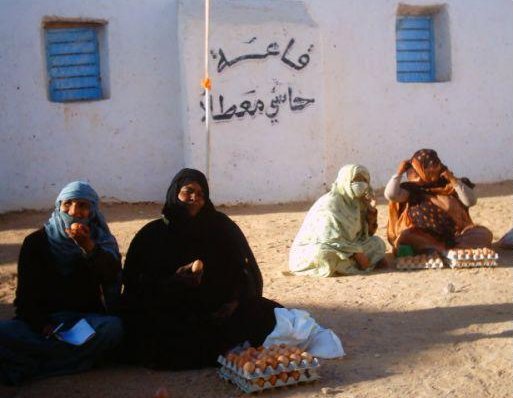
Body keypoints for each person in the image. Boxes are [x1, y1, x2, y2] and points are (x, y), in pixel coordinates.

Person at [121, 168, 279, 369]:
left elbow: (243, 270)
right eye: (188, 191)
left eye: (201, 194)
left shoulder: (221, 227)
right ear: (175, 192)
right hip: (170, 310)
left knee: (269, 314)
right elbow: (134, 282)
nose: (195, 198)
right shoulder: (152, 235)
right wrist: (172, 282)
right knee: (150, 331)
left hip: (217, 311)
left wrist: (234, 301)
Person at [0, 181, 123, 385]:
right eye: (68, 204)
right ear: (59, 206)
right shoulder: (36, 242)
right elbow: (24, 298)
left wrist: (88, 248)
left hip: (83, 322)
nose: (74, 212)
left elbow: (111, 275)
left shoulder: (100, 241)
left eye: (83, 205)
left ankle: (34, 364)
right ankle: (73, 359)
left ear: (92, 210)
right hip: (43, 325)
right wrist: (42, 325)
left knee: (113, 328)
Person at [386, 148, 493, 254]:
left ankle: (449, 249)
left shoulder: (450, 184)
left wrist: (453, 181)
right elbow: (391, 194)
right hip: (426, 236)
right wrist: (399, 172)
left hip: (456, 235)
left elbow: (470, 201)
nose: (433, 169)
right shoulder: (411, 189)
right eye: (427, 167)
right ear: (420, 170)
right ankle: (442, 249)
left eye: (435, 164)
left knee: (483, 234)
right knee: (407, 236)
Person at [288, 164, 387, 277]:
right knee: (323, 254)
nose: (360, 184)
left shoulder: (358, 202)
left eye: (364, 180)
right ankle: (351, 263)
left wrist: (371, 209)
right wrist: (356, 253)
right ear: (345, 180)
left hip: (351, 246)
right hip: (323, 246)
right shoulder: (330, 203)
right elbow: (329, 238)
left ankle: (348, 264)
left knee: (378, 243)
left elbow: (368, 234)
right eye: (355, 180)